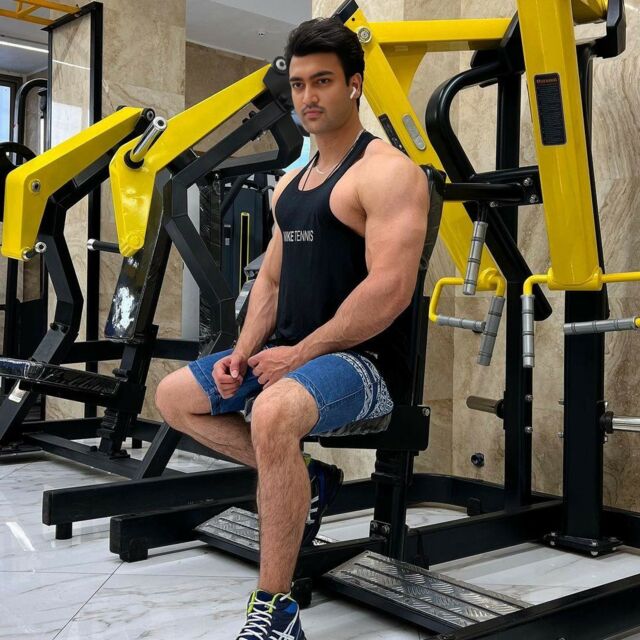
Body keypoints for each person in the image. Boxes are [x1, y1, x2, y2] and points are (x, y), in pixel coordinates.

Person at [155, 16, 429, 640]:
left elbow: (391, 290)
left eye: (323, 81)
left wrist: (299, 354)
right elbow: (272, 283)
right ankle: (313, 481)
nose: (308, 96)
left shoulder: (387, 173)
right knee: (174, 397)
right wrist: (242, 351)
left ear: (354, 85)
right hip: (290, 353)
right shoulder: (290, 185)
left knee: (272, 412)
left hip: (363, 364)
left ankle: (275, 609)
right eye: (300, 84)